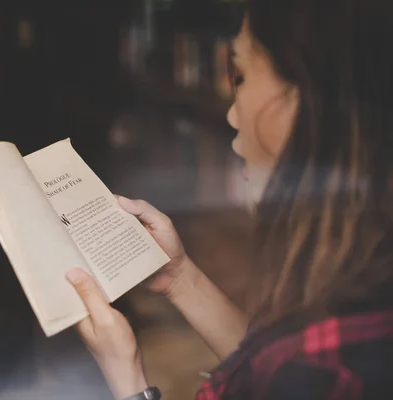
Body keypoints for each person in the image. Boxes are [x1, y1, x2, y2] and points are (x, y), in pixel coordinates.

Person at [65, 0, 393, 398]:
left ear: (301, 99)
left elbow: (282, 372)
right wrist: (181, 279)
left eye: (240, 75)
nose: (232, 116)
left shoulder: (318, 362)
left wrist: (125, 372)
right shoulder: (359, 270)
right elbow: (264, 368)